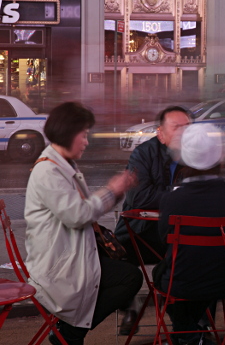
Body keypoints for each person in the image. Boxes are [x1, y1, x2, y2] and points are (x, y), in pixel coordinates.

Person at [24, 102, 142, 345]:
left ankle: (70, 331)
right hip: (58, 267)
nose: (86, 142)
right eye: (84, 134)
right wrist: (112, 190)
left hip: (70, 256)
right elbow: (77, 215)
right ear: (69, 133)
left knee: (126, 266)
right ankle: (69, 333)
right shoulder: (48, 171)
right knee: (130, 278)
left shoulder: (62, 165)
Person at [155, 123, 225, 345]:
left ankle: (188, 335)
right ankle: (194, 333)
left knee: (162, 273)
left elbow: (163, 237)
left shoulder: (173, 199)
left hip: (182, 282)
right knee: (201, 269)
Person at [113, 105, 190, 334]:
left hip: (181, 233)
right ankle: (131, 308)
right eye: (176, 127)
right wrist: (178, 195)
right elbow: (139, 196)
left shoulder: (197, 153)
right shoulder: (144, 153)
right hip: (142, 230)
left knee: (205, 257)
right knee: (111, 259)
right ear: (160, 133)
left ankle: (192, 323)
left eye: (187, 127)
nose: (183, 133)